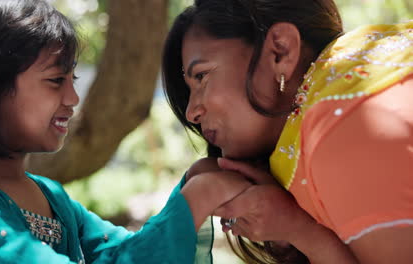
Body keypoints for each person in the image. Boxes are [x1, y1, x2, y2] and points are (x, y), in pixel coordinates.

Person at [0, 0, 254, 263]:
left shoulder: (50, 195)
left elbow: (124, 254)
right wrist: (199, 197)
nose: (73, 99)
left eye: (72, 79)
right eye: (55, 81)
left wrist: (195, 183)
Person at [162, 0, 413, 263]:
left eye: (201, 77)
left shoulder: (347, 135)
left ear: (280, 51)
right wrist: (290, 228)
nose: (192, 112)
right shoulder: (357, 74)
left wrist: (300, 231)